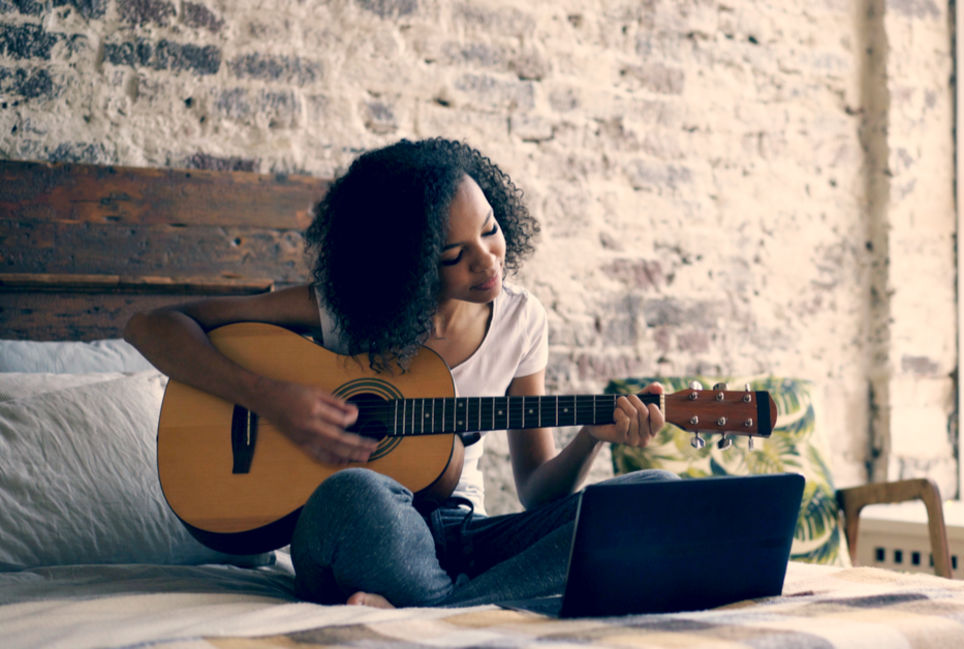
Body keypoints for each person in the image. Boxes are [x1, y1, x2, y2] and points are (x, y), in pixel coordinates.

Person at [124, 137, 672, 608]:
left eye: (490, 230)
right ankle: (469, 603)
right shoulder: (347, 313)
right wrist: (273, 401)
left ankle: (428, 606)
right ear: (403, 263)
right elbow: (152, 326)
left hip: (463, 536)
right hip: (359, 533)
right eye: (453, 254)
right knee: (355, 492)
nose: (487, 261)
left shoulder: (521, 321)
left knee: (655, 494)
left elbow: (537, 493)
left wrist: (591, 440)